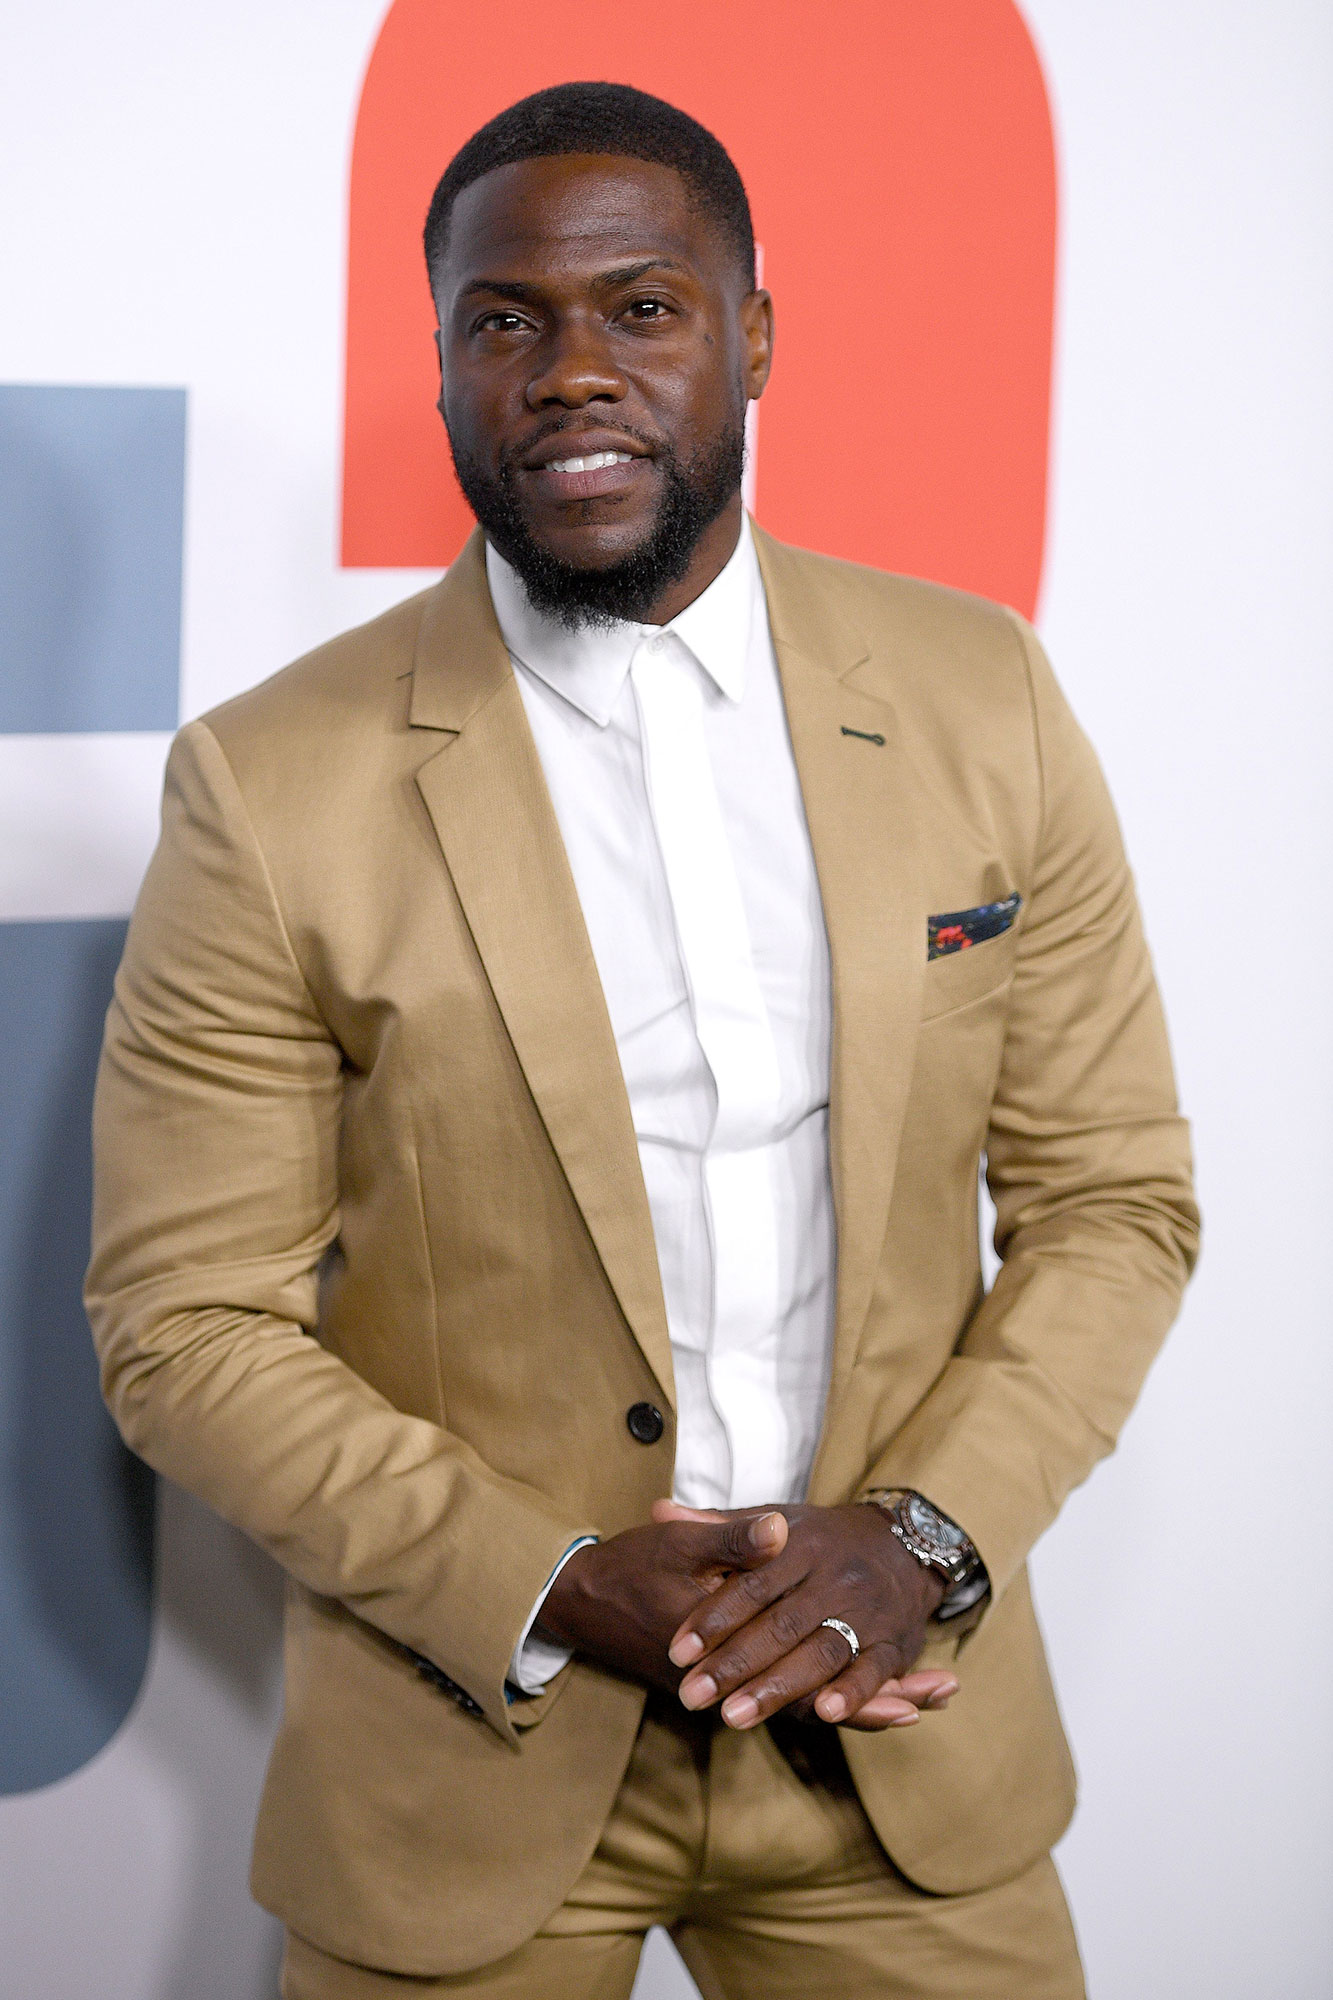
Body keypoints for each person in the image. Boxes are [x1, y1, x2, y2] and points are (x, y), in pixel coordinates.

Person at [86, 80, 1198, 2000]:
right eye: (504, 320)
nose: (571, 371)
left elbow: (1113, 1203)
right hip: (471, 1751)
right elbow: (184, 1322)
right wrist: (544, 1580)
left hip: (897, 1739)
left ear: (754, 336)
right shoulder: (268, 789)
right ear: (444, 364)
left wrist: (918, 1538)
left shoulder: (983, 697)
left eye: (643, 308)